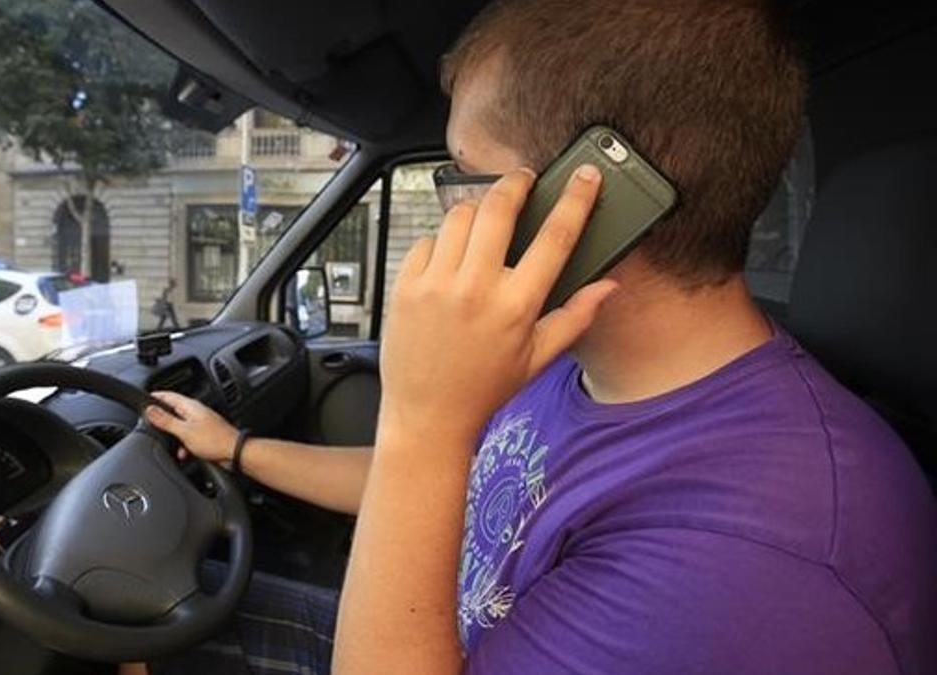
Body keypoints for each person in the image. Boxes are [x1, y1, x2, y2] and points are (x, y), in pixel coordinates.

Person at [127, 0, 937, 673]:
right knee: (130, 602)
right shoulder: (578, 360)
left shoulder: (755, 557)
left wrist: (423, 417)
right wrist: (237, 449)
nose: (450, 215)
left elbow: (431, 464)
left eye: (462, 173)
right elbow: (463, 492)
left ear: (597, 201)